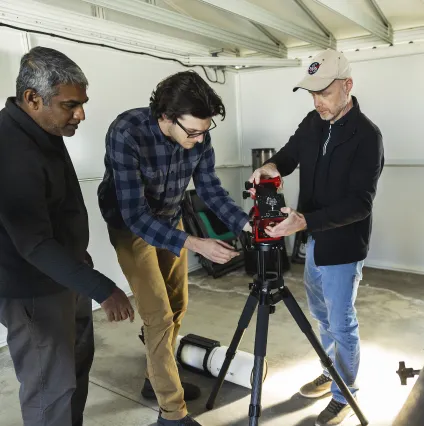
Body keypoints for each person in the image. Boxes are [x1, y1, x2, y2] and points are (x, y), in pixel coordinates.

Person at [97, 70, 251, 426]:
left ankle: (156, 378)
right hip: (131, 225)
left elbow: (211, 190)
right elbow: (135, 215)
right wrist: (195, 243)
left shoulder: (198, 135)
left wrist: (247, 223)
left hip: (169, 218)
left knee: (179, 303)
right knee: (159, 315)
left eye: (205, 131)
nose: (199, 140)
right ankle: (171, 413)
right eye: (193, 132)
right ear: (165, 116)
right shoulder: (127, 132)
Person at [0, 46, 135, 426]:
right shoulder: (11, 149)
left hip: (65, 275)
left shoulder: (43, 128)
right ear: (32, 99)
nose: (81, 114)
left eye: (83, 103)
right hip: (33, 290)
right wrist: (102, 288)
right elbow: (33, 243)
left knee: (73, 370)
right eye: (70, 105)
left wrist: (81, 268)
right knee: (49, 388)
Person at [249, 49, 384, 426]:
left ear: (347, 86)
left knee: (341, 322)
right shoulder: (312, 122)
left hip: (342, 245)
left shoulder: (367, 137)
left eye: (324, 92)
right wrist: (268, 168)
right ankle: (330, 372)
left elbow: (360, 204)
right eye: (312, 93)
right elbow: (287, 157)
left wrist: (304, 220)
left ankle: (345, 394)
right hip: (312, 242)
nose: (317, 101)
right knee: (322, 315)